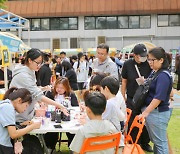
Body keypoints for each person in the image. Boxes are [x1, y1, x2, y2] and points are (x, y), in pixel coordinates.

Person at [10, 48, 68, 124]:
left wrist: (43, 88)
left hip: (25, 115)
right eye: (38, 63)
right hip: (19, 117)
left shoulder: (30, 71)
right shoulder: (23, 75)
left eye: (41, 63)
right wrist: (60, 105)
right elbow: (38, 95)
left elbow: (32, 88)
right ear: (30, 60)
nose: (39, 66)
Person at [139, 47, 172, 154]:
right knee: (158, 143)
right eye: (149, 59)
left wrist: (146, 112)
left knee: (161, 143)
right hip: (154, 112)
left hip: (157, 112)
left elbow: (158, 97)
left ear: (161, 60)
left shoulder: (163, 75)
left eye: (152, 60)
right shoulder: (156, 72)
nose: (149, 62)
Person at [121, 44, 153, 152]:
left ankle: (145, 142)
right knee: (132, 120)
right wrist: (123, 95)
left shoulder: (148, 64)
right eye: (141, 55)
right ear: (135, 55)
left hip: (145, 97)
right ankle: (134, 142)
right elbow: (124, 80)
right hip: (131, 97)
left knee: (145, 121)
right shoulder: (128, 64)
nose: (143, 58)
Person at [0, 87, 41, 154]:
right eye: (26, 106)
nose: (25, 109)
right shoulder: (8, 107)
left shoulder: (6, 105)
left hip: (3, 146)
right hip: (3, 147)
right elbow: (13, 134)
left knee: (32, 140)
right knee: (33, 143)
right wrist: (32, 127)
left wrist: (21, 124)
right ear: (19, 101)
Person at [44, 77, 78, 152]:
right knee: (50, 132)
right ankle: (50, 147)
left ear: (66, 87)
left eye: (62, 88)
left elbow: (76, 107)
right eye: (57, 87)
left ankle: (72, 148)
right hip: (52, 117)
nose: (59, 89)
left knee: (72, 132)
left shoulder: (71, 94)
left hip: (68, 118)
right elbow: (45, 105)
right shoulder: (50, 93)